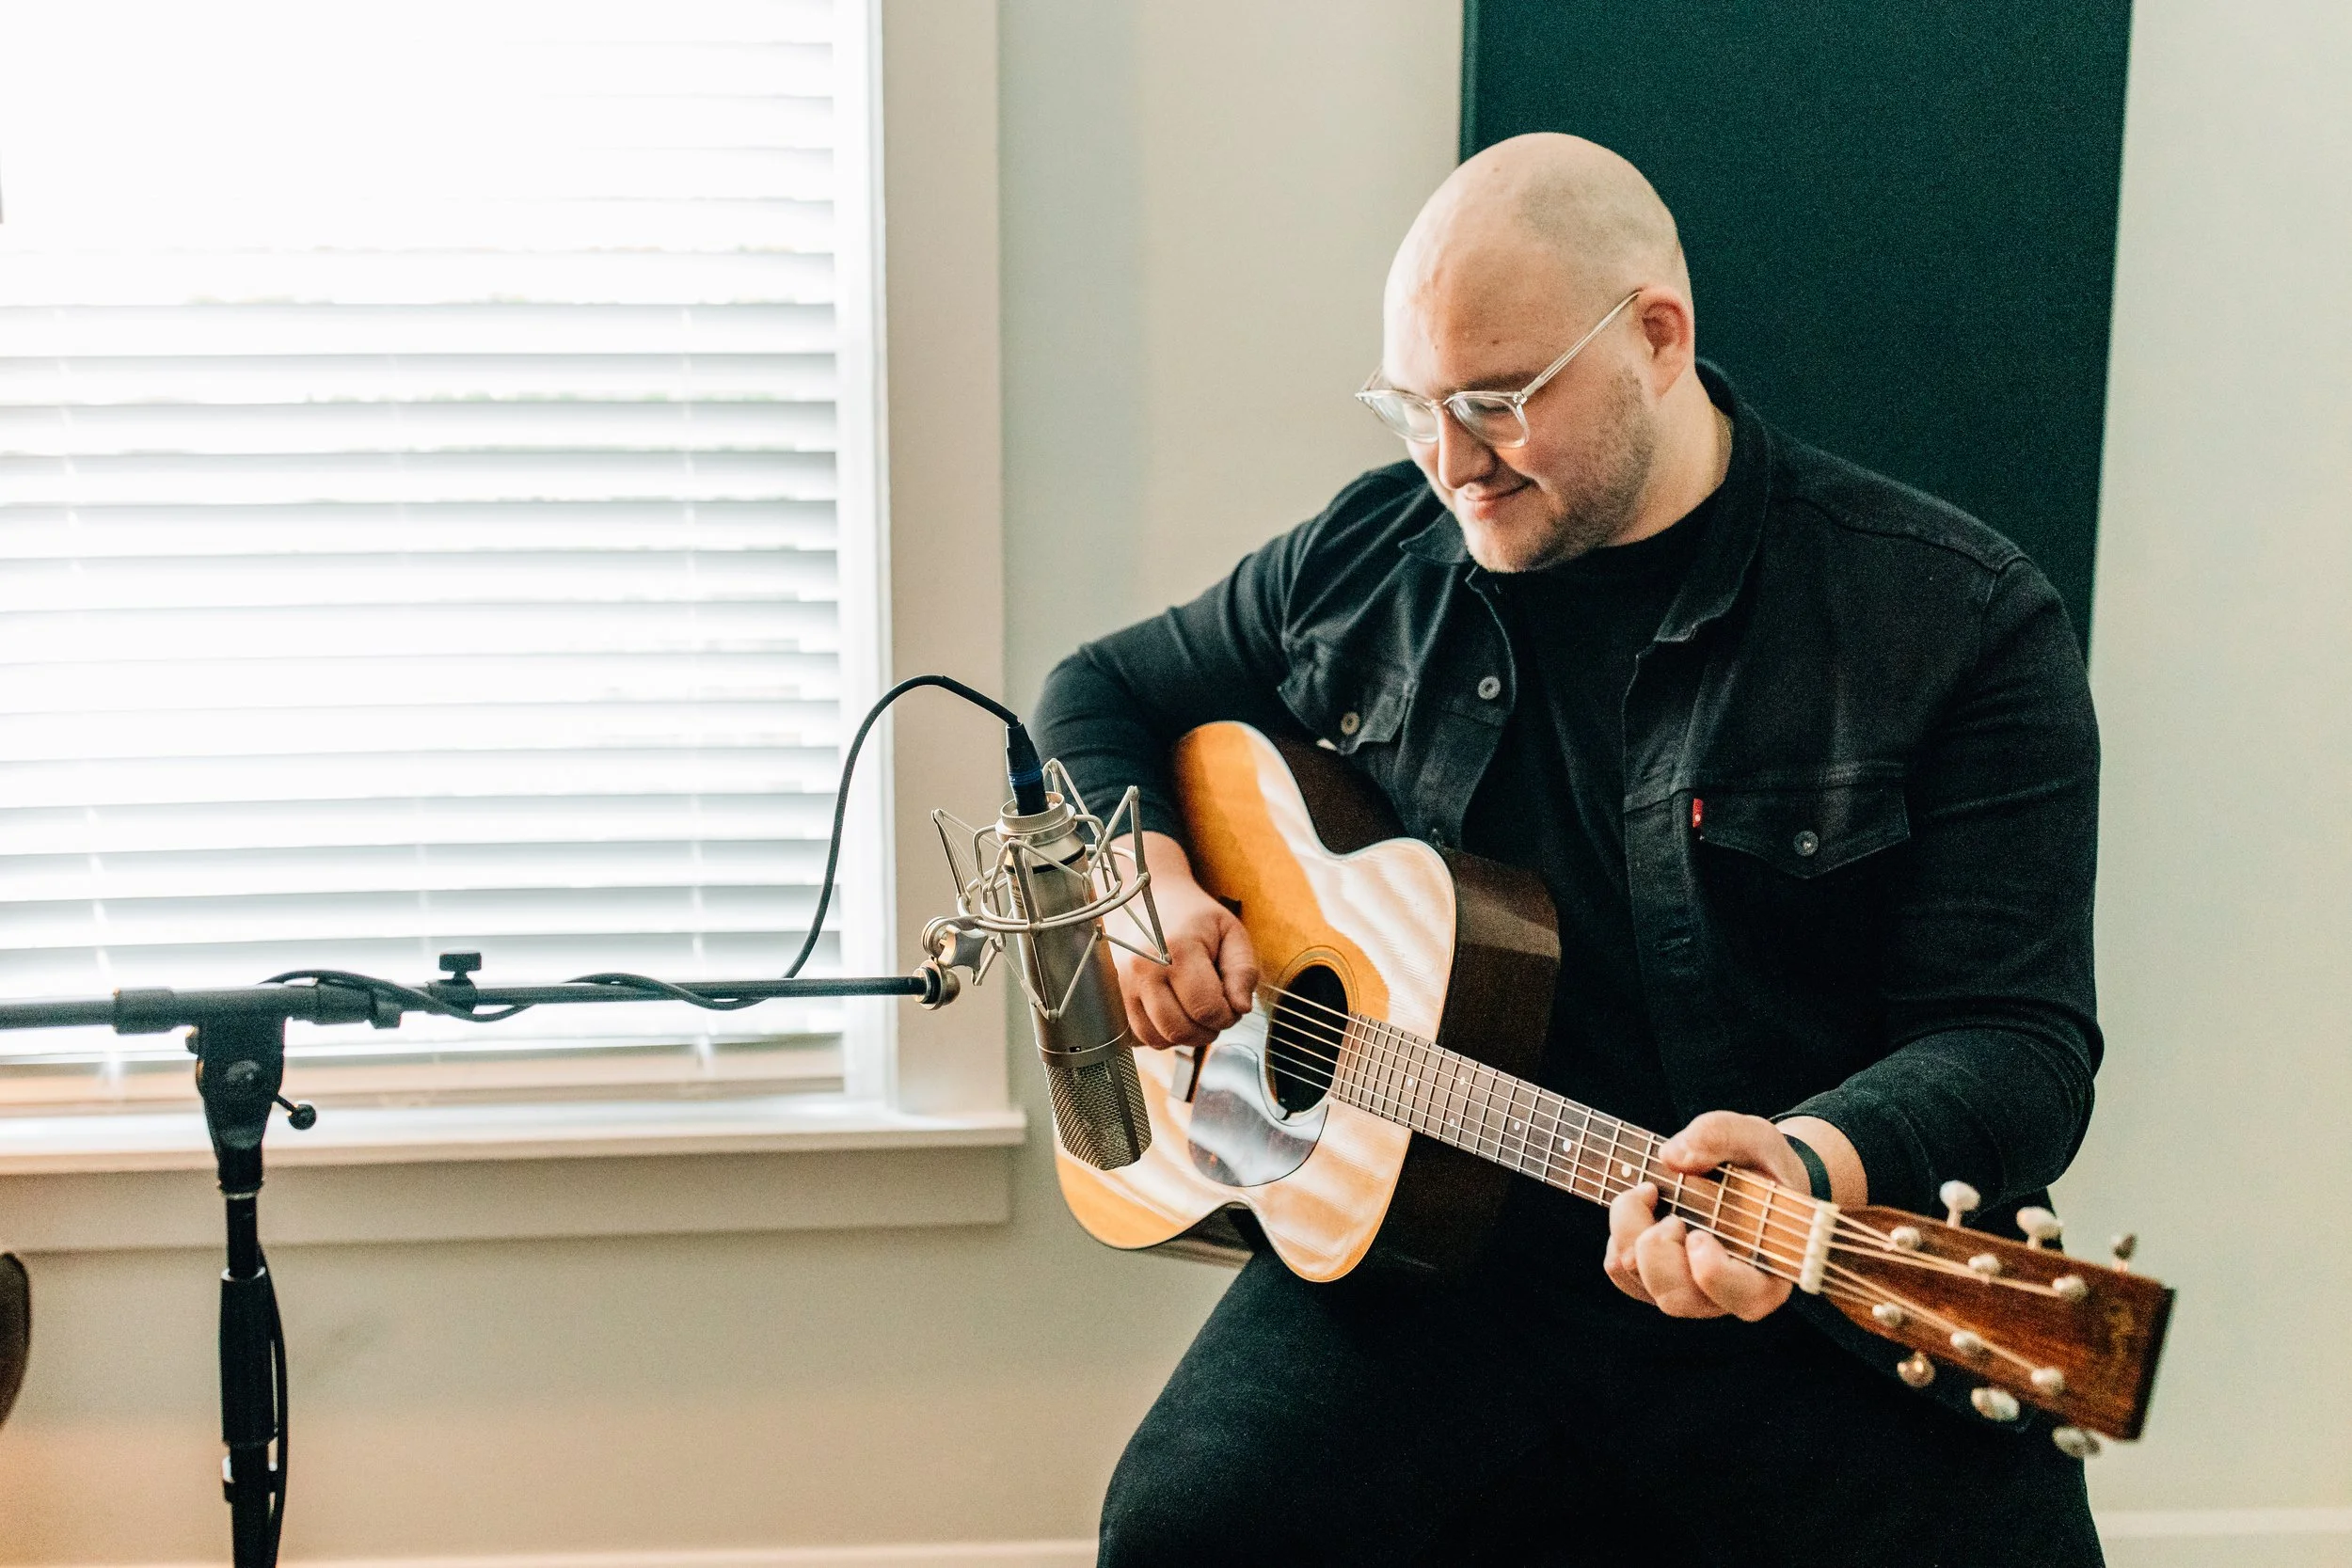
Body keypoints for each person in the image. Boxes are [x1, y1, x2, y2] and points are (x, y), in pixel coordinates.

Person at [1033, 133, 2106, 1566]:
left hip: (1796, 1280)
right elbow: (1093, 693)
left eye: (1496, 402)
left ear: (1659, 336)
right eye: (1411, 406)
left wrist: (1805, 1160)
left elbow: (2020, 1040)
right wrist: (1145, 885)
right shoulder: (1373, 553)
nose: (1449, 462)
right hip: (1437, 1251)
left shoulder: (1955, 616)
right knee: (1184, 1531)